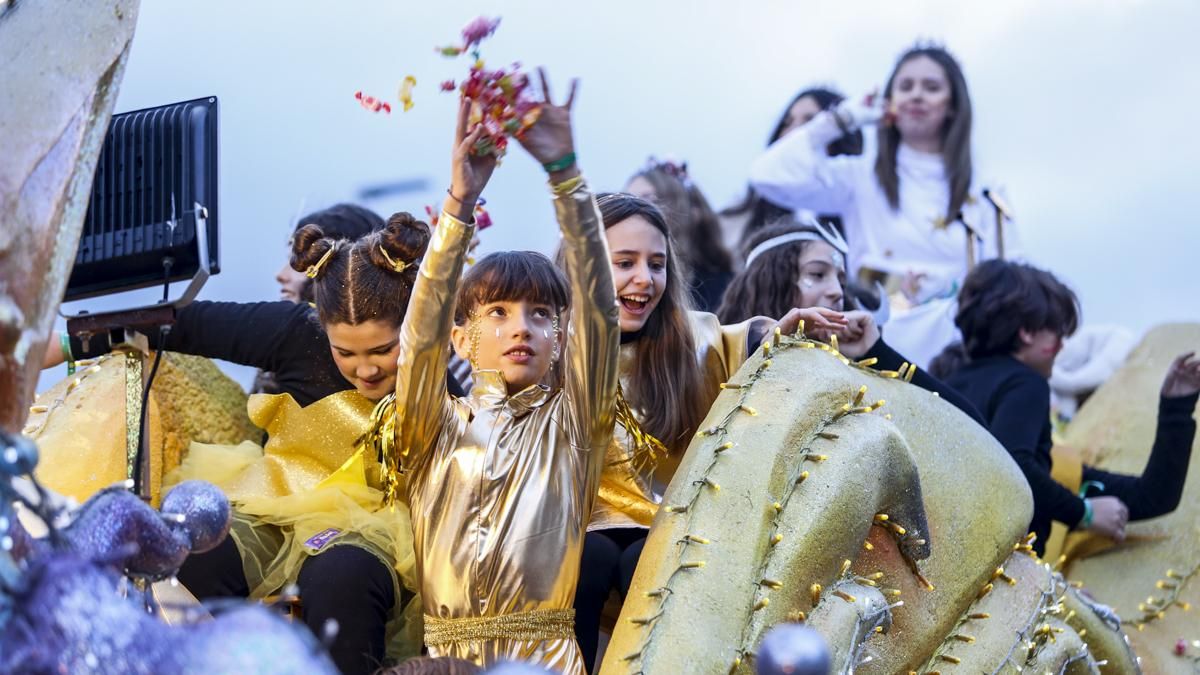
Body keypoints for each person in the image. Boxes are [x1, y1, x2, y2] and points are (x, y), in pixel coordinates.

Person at [43, 216, 455, 674]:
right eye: (345, 353)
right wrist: (62, 343)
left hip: (380, 526)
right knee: (200, 556)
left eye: (382, 351)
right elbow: (176, 324)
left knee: (341, 579)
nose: (365, 370)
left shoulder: (435, 375)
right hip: (278, 501)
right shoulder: (295, 332)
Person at [378, 72, 619, 673]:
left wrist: (564, 173)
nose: (521, 329)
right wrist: (459, 204)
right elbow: (417, 338)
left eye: (541, 315)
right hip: (445, 664)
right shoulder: (433, 428)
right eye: (498, 313)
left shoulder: (574, 424)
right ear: (461, 338)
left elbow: (600, 312)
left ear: (561, 341)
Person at [749, 45, 1018, 369]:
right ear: (889, 102)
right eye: (905, 87)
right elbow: (767, 176)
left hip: (961, 350)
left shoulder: (986, 190)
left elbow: (1009, 276)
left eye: (931, 87)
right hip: (879, 346)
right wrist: (842, 118)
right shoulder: (861, 177)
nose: (916, 95)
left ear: (952, 106)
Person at [937, 260, 1200, 554]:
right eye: (1058, 333)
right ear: (1027, 331)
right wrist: (1082, 513)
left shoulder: (943, 385)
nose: (1062, 346)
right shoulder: (1026, 383)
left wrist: (1176, 407)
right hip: (995, 578)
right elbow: (1011, 468)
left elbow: (1151, 496)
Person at [720, 86, 863, 256]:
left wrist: (836, 121)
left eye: (810, 121)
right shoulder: (742, 215)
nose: (793, 131)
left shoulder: (860, 199)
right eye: (787, 123)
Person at [625, 159, 734, 311]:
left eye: (648, 200)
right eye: (628, 200)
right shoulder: (620, 279)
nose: (633, 211)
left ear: (690, 212)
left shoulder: (723, 288)